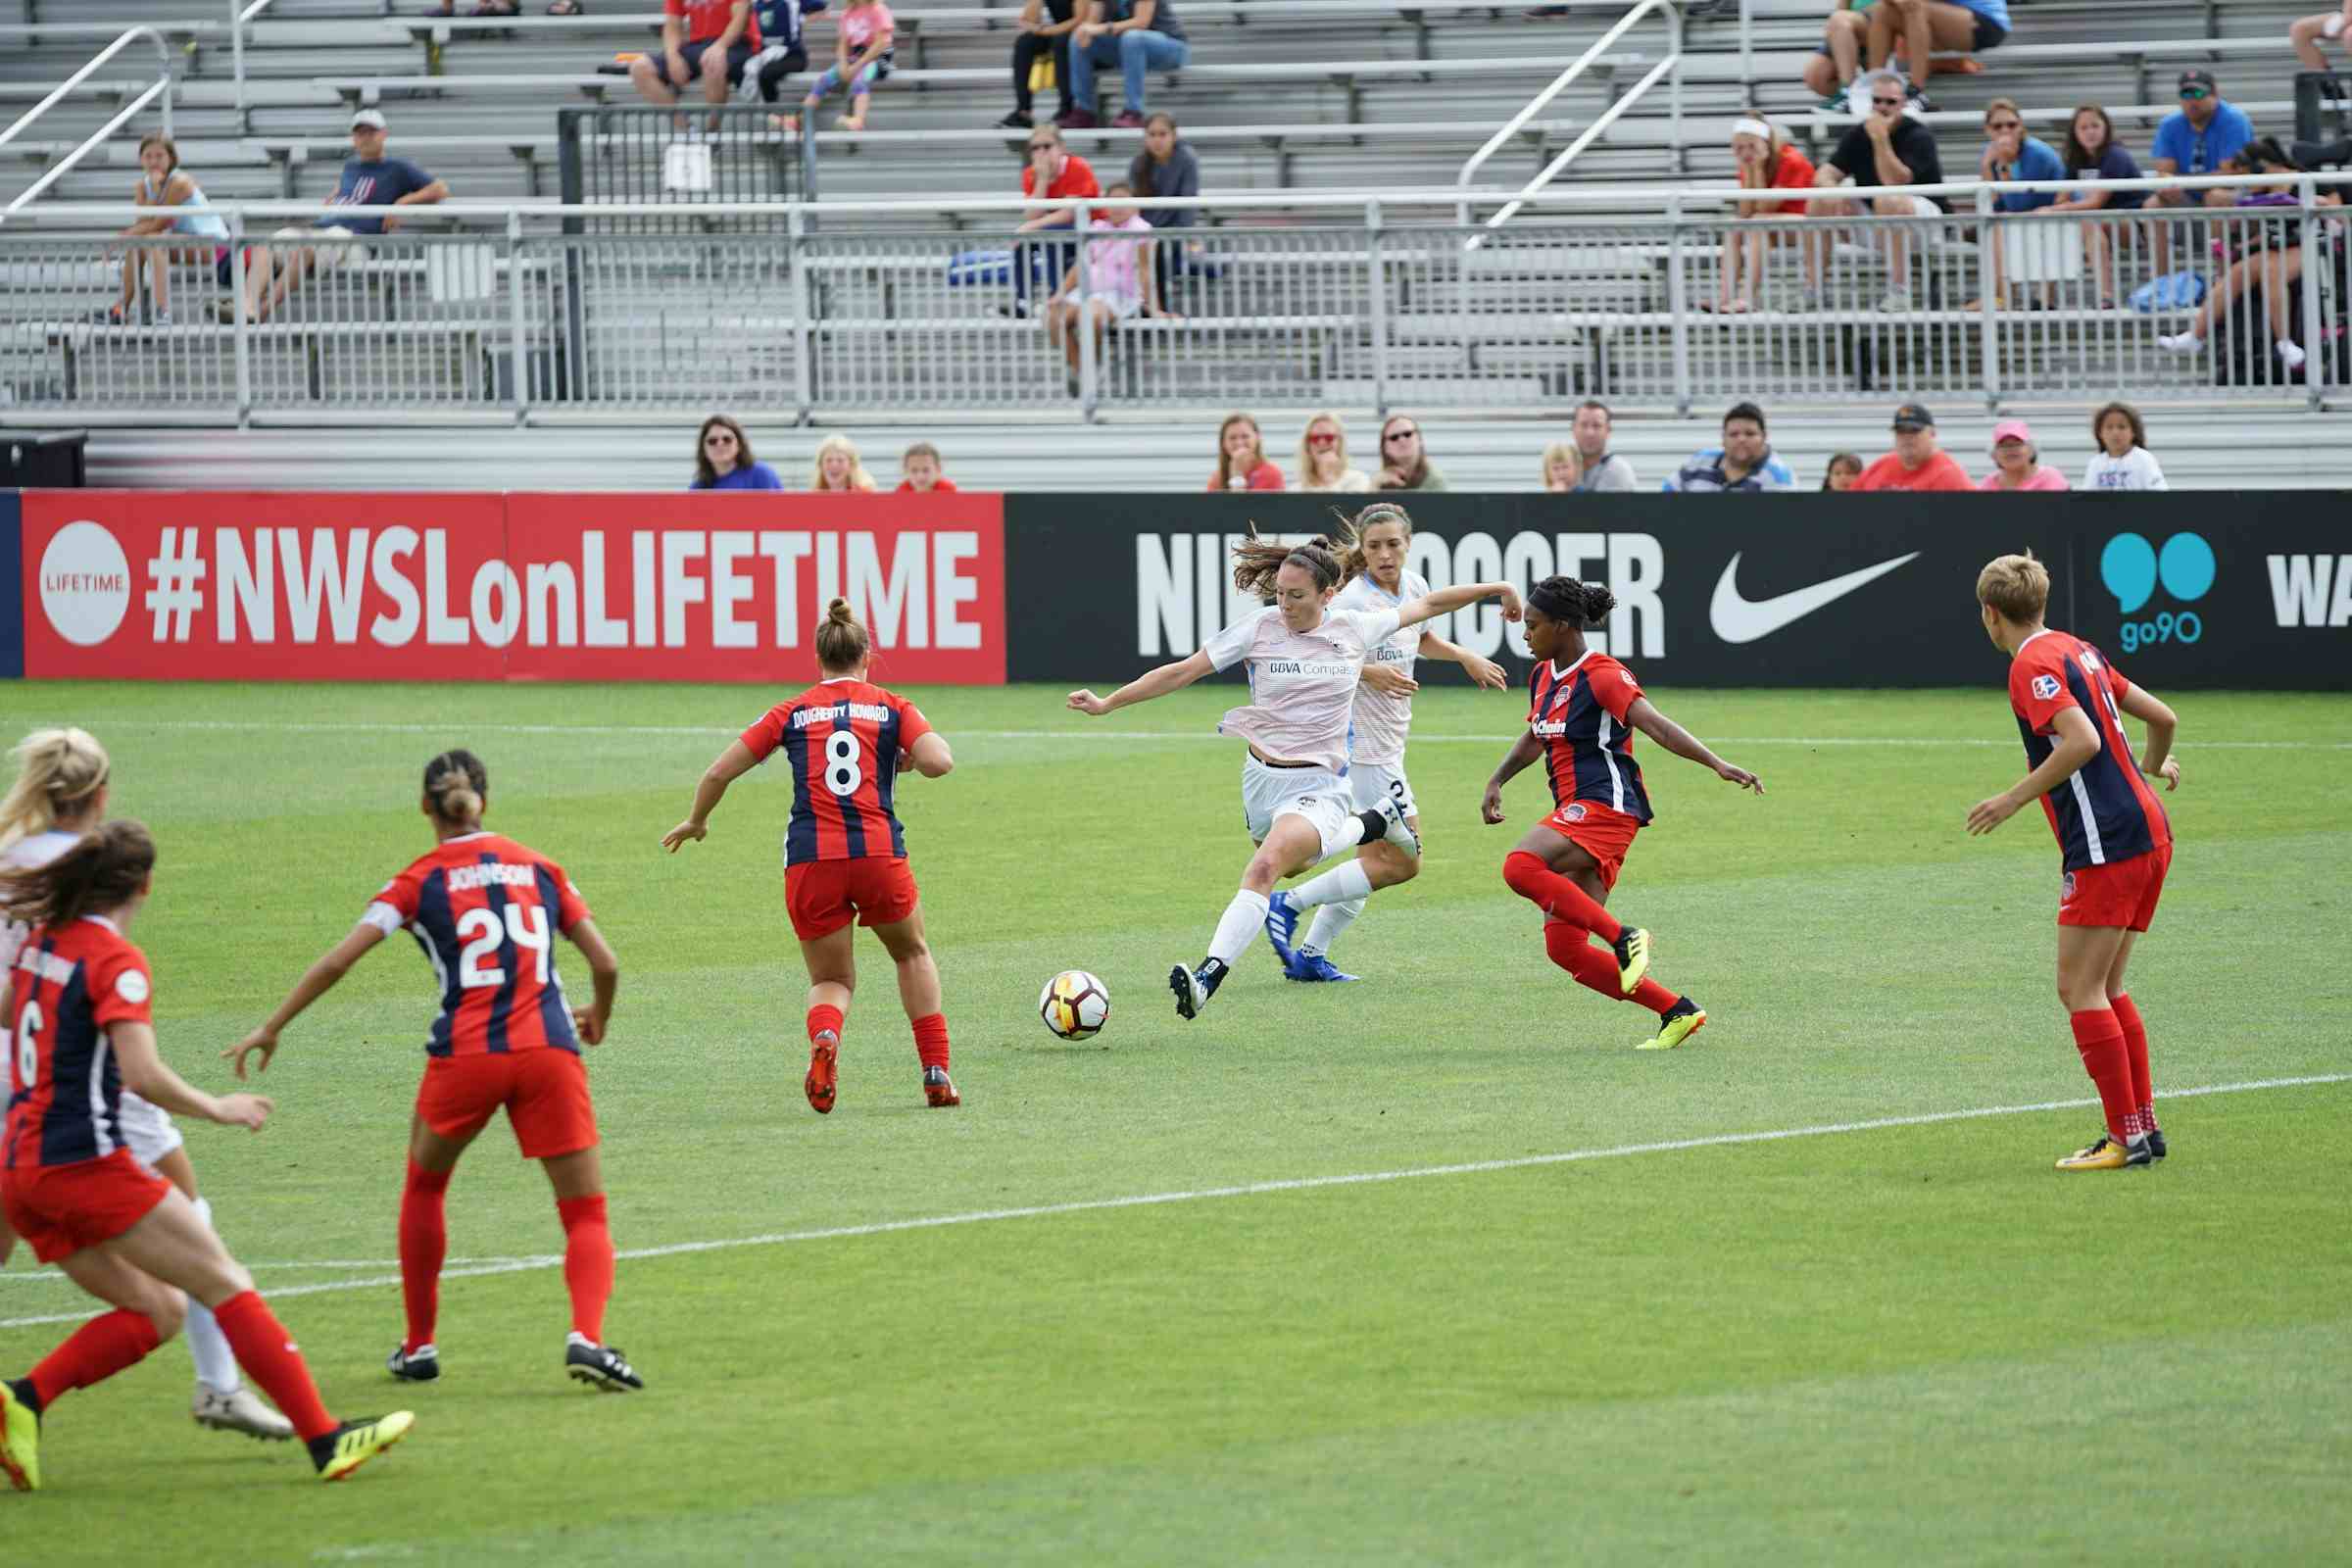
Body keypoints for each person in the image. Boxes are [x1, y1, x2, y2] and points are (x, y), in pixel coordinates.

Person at [0, 820, 417, 1491]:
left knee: (156, 1312)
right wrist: (216, 1106)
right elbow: (141, 1074)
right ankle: (325, 1441)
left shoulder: (40, 947)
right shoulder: (115, 962)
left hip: (19, 1169)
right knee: (223, 1281)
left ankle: (21, 1399)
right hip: (83, 1164)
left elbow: (10, 1011)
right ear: (144, 885)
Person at [228, 752, 632, 1391]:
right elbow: (605, 964)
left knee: (425, 1187)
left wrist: (272, 1025)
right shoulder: (539, 867)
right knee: (584, 1211)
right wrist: (599, 1017)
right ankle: (588, 1337)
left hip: (466, 1055)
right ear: (486, 801)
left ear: (426, 807)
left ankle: (419, 1347)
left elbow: (339, 961)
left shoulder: (417, 881)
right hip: (549, 1050)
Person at [1064, 520, 1523, 1020]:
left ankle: (1206, 977)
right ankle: (1374, 822)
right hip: (1261, 782)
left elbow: (1428, 606)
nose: (1284, 604)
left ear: (1328, 595)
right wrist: (1110, 702)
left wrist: (1499, 588)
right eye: (1280, 593)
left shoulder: (1354, 628)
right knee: (1291, 864)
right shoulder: (1258, 629)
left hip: (1319, 785)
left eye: (1297, 596)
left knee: (1264, 868)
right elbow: (1183, 671)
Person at [0, 730, 290, 1443]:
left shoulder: (8, 862)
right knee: (191, 1213)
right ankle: (220, 1386)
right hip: (77, 1080)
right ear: (101, 796)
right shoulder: (78, 867)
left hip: (12, 1069)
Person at [662, 601, 961, 1111]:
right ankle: (935, 1072)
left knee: (831, 979)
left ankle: (826, 1040)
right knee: (911, 953)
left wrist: (697, 820)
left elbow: (718, 772)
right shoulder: (892, 705)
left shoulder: (793, 711)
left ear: (817, 659)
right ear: (867, 656)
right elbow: (940, 762)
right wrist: (904, 761)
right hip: (877, 853)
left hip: (810, 861)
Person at [1481, 577, 1763, 1052]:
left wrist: (1715, 762)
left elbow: (1655, 725)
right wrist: (1497, 779)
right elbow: (1536, 735)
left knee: (1520, 866)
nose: (1524, 634)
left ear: (1563, 625)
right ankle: (1678, 1011)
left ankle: (1625, 936)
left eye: (1532, 625)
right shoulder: (1543, 675)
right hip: (1577, 812)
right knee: (1566, 949)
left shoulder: (1603, 674)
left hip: (1607, 808)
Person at [1967, 551, 2180, 1171]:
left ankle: (2125, 1140)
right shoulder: (2075, 648)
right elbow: (2162, 716)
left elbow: (2082, 741)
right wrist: (2148, 763)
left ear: (1989, 614)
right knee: (2107, 986)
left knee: (2078, 988)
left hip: (2107, 839)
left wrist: (2011, 798)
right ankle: (2142, 1129)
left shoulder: (2030, 663)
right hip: (2148, 829)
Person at [1264, 504, 1510, 983]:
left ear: (1408, 544)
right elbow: (1313, 651)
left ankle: (1311, 955)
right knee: (1404, 860)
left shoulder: (1413, 587)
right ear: (1361, 549)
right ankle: (1288, 900)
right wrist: (1368, 670)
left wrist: (1462, 656)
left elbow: (1420, 636)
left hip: (1388, 746)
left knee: (1372, 861)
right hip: (1362, 751)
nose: (1384, 554)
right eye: (1373, 545)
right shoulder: (1353, 600)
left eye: (1392, 544)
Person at [229, 112, 446, 326]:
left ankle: (264, 310)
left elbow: (440, 189)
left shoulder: (398, 167)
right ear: (354, 138)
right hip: (325, 228)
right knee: (265, 246)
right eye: (360, 133)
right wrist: (335, 199)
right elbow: (346, 192)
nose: (366, 137)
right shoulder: (350, 166)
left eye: (371, 132)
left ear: (383, 135)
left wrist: (402, 204)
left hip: (356, 238)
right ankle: (247, 305)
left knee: (305, 249)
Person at [2156, 137, 2340, 377]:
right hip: (2272, 246)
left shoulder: (2307, 180)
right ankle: (2196, 335)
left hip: (2309, 243)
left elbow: (2337, 217)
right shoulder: (2262, 190)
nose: (2246, 182)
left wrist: (2319, 204)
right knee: (2237, 272)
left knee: (2272, 271)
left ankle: (2284, 342)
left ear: (2262, 167)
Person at [1804, 71, 1946, 314]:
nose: (1882, 108)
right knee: (1819, 201)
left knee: (1887, 199)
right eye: (1877, 101)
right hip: (1880, 220)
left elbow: (1894, 181)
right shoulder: (1858, 133)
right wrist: (1837, 193)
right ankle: (1812, 290)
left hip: (1923, 223)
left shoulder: (1918, 135)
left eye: (1890, 102)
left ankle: (1899, 290)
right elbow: (1824, 174)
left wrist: (1881, 140)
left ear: (1902, 104)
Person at [99, 134, 229, 329]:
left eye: (159, 156)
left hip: (213, 244)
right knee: (139, 244)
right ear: (141, 159)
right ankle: (121, 310)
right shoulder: (143, 186)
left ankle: (163, 310)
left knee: (153, 239)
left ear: (171, 158)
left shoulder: (180, 182)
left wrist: (118, 240)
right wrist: (154, 189)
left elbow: (158, 223)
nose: (153, 161)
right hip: (183, 243)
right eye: (148, 156)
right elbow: (143, 222)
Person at [1048, 183, 1167, 396]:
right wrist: (1060, 293)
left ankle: (1086, 376)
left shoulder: (1140, 229)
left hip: (1120, 293)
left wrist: (1153, 306)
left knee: (1090, 316)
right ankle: (1083, 371)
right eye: (1112, 202)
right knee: (1054, 317)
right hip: (1089, 291)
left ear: (1135, 206)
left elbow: (1146, 270)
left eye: (1123, 201)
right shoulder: (1097, 228)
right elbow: (1080, 266)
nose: (1117, 207)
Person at [2148, 70, 2255, 272]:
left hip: (2236, 196)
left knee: (2216, 197)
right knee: (2153, 204)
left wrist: (2180, 181)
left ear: (2215, 94)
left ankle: (2223, 278)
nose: (2192, 101)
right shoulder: (2169, 125)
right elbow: (2163, 173)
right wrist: (2168, 186)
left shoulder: (2234, 120)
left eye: (2198, 94)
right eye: (2186, 95)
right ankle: (2160, 282)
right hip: (2190, 196)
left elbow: (2230, 176)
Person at [1968, 99, 2068, 311]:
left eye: (2011, 125)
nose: (2005, 131)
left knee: (2008, 225)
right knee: (1994, 224)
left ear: (2021, 126)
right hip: (2025, 216)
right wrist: (1987, 167)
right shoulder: (1989, 153)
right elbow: (1993, 203)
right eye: (1997, 126)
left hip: (2054, 213)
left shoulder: (2037, 154)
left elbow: (2018, 202)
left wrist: (2003, 166)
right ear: (1988, 130)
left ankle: (2038, 297)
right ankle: (2002, 296)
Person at [2047, 104, 2144, 310]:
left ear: (2106, 128)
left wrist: (2057, 209)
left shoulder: (2115, 155)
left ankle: (2105, 295)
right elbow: (2060, 197)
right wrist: (2057, 209)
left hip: (2132, 225)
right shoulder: (2076, 159)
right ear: (2075, 133)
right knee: (2058, 225)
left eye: (2095, 126)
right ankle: (2046, 298)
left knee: (2087, 221)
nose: (2090, 132)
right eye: (2083, 128)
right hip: (2098, 224)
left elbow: (2096, 202)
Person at [1716, 116, 1815, 315]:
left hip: (1806, 225)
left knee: (1758, 222)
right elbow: (1744, 213)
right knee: (1733, 227)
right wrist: (1749, 170)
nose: (1745, 153)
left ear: (1765, 144)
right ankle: (1725, 298)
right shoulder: (1747, 164)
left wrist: (1758, 169)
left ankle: (1747, 298)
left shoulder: (1791, 160)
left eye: (1751, 146)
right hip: (1773, 224)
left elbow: (1764, 206)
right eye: (1739, 148)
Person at [1058, 0, 1189, 131]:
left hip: (1170, 48)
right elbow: (1091, 23)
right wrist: (1086, 31)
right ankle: (1084, 112)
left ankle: (1134, 112)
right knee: (1077, 39)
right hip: (1129, 48)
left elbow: (1141, 22)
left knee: (1132, 37)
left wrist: (1103, 28)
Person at [1012, 124, 1100, 317]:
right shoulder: (1030, 174)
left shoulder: (1078, 167)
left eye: (1047, 146)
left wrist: (1029, 226)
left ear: (1061, 147)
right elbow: (1032, 214)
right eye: (1035, 148)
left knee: (1050, 233)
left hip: (1089, 230)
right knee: (1024, 243)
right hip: (1054, 228)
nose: (1041, 152)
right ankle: (1023, 301)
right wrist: (1042, 180)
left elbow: (1069, 213)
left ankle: (1056, 299)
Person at [628, 0, 761, 121]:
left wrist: (720, 46)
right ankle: (690, 133)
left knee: (711, 61)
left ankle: (712, 134)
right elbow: (673, 24)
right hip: (698, 44)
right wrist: (672, 57)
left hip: (737, 43)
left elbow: (740, 18)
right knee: (640, 68)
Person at [1866, 0, 2007, 113]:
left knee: (1915, 7)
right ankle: (1871, 87)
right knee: (1882, 10)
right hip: (1950, 18)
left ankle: (1916, 91)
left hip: (1987, 21)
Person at [1129, 111, 1201, 300]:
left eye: (1162, 134)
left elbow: (1188, 202)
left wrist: (1187, 236)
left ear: (1174, 136)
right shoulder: (1138, 164)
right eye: (1152, 134)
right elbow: (1132, 206)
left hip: (1173, 233)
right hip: (1143, 232)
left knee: (1158, 255)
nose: (1157, 140)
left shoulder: (1187, 160)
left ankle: (1156, 315)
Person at [801, 0, 895, 133]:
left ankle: (858, 120)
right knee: (824, 80)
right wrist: (843, 64)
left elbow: (882, 43)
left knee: (859, 80)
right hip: (855, 57)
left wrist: (857, 66)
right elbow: (843, 43)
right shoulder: (848, 13)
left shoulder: (878, 10)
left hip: (877, 58)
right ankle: (800, 117)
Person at [1663, 401, 1795, 492]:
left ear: (1764, 437)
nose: (1741, 439)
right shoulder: (1699, 461)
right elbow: (1666, 498)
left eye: (1749, 434)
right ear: (1723, 439)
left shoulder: (1779, 477)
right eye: (1733, 434)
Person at [1853, 401, 1973, 490]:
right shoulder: (1880, 466)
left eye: (1914, 430)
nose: (1907, 436)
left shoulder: (1948, 476)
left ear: (1932, 433)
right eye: (1901, 431)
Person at [999, 0, 1080, 129]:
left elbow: (1080, 19)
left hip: (1086, 33)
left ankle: (1066, 109)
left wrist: (1046, 30)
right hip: (1059, 33)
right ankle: (1023, 111)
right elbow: (1028, 20)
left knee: (1061, 42)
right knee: (1025, 42)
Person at [751, 0, 828, 127]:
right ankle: (774, 118)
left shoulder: (791, 2)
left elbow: (822, 7)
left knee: (766, 73)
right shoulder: (756, 4)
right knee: (752, 70)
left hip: (793, 56)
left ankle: (775, 117)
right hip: (766, 57)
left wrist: (803, 19)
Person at [2082, 402, 2167, 490]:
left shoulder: (2144, 459)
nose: (2115, 433)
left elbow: (2159, 494)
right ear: (2099, 433)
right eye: (2109, 427)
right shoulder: (2095, 464)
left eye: (2122, 427)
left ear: (2134, 431)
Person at [689, 414, 783, 490]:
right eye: (712, 441)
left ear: (739, 444)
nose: (720, 444)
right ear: (703, 449)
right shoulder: (698, 488)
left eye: (727, 439)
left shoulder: (761, 475)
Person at [1977, 417, 2069, 491]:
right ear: (1994, 455)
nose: (2010, 450)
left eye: (2017, 444)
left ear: (2031, 449)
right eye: (2003, 445)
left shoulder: (2049, 478)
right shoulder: (1988, 484)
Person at [1293, 413, 1371, 493]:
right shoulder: (1296, 489)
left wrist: (1329, 478)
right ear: (1307, 445)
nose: (1322, 443)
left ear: (1340, 442)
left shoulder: (1357, 480)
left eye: (1329, 437)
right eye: (1315, 438)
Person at [1568, 401, 1637, 491]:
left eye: (1597, 426)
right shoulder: (1562, 467)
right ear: (1573, 429)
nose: (1590, 433)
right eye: (1584, 425)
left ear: (1608, 431)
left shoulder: (1616, 470)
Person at [1208, 413, 1283, 491]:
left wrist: (1237, 474)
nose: (1239, 443)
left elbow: (1241, 503)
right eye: (1232, 438)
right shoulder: (1217, 478)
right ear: (1223, 443)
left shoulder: (1270, 474)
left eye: (1245, 436)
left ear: (1257, 438)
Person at [1374, 416, 1449, 491]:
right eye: (1394, 437)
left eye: (1407, 434)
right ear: (1385, 448)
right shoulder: (1379, 481)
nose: (1402, 440)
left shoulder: (1436, 480)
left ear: (1419, 440)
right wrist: (1375, 486)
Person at [2290, 1, 2352, 72]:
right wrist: (2346, 18)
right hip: (2346, 14)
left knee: (2350, 34)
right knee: (2299, 29)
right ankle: (2322, 78)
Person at [810, 433, 878, 491]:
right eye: (829, 460)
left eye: (840, 460)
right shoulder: (813, 496)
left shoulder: (866, 495)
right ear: (820, 465)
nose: (834, 465)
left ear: (851, 465)